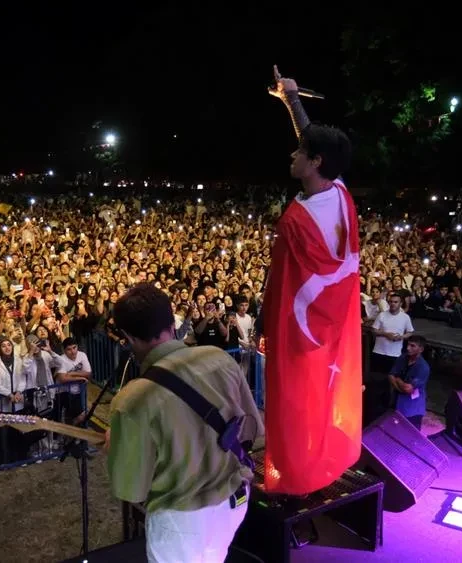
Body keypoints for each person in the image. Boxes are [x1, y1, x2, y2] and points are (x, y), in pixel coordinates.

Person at [260, 66, 362, 496]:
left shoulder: (298, 221)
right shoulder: (339, 194)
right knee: (322, 396)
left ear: (315, 162)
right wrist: (292, 99)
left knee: (295, 401)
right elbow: (313, 139)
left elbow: (284, 282)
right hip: (329, 324)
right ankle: (321, 461)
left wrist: (268, 324)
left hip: (300, 331)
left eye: (300, 152)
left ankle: (295, 476)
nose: (293, 154)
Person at [107, 283, 262, 563]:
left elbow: (130, 490)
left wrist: (119, 447)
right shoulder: (219, 358)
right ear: (172, 322)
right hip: (234, 501)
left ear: (128, 337)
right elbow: (253, 431)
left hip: (182, 522)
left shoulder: (133, 401)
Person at [388, 335, 430, 430]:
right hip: (396, 403)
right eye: (408, 345)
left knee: (410, 433)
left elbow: (408, 389)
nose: (408, 348)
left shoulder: (423, 367)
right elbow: (390, 375)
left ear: (421, 349)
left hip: (413, 409)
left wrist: (398, 379)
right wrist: (400, 389)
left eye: (412, 346)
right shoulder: (402, 358)